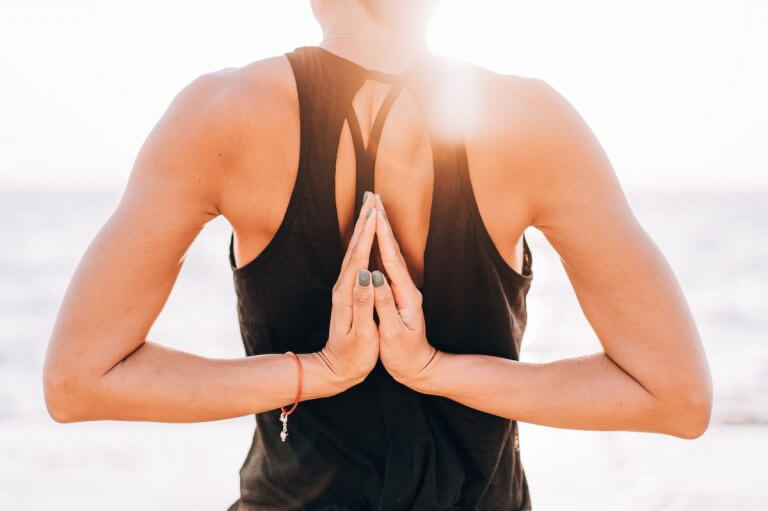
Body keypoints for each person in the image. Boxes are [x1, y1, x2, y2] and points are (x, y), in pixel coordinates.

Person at [42, 1, 713, 509]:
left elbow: (78, 381)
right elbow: (675, 395)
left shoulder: (220, 113)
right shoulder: (531, 122)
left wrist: (317, 372)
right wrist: (434, 369)